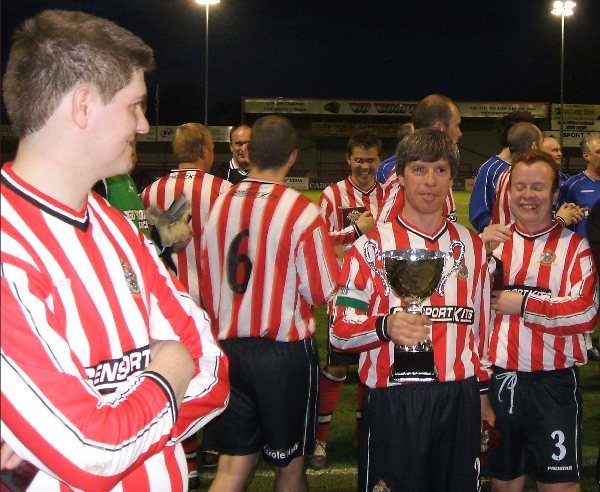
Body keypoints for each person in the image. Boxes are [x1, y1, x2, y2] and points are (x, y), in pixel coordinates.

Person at [0, 9, 229, 491]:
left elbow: (212, 371)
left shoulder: (116, 226)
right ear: (84, 106)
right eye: (134, 106)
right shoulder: (10, 250)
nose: (144, 126)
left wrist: (62, 442)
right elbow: (92, 455)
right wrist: (166, 371)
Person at [331, 128, 494, 491]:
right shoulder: (369, 248)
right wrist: (384, 327)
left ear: (452, 177)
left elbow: (482, 332)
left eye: (440, 170)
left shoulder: (472, 246)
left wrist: (483, 397)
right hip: (394, 398)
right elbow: (339, 329)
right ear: (400, 175)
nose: (430, 181)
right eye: (419, 169)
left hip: (459, 397)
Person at [199, 115, 339, 491]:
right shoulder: (300, 211)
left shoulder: (218, 204)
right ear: (293, 157)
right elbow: (322, 291)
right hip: (283, 355)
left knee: (232, 466)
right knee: (290, 466)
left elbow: (206, 280)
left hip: (228, 349)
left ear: (251, 152)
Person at [480, 150, 598, 491]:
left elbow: (586, 313)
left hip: (554, 387)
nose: (528, 195)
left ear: (555, 194)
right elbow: (466, 315)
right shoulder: (490, 246)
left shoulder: (575, 247)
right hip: (500, 383)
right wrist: (475, 257)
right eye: (520, 186)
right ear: (509, 192)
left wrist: (524, 304)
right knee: (503, 485)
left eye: (537, 187)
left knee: (559, 486)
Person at [141, 122, 232, 485]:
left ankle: (188, 461)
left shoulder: (149, 192)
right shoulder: (223, 190)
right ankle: (212, 450)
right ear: (206, 151)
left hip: (168, 310)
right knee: (213, 378)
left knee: (176, 380)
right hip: (215, 304)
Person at [309, 131, 385, 469]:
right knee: (338, 366)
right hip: (345, 291)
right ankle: (320, 443)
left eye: (370, 160)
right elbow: (320, 240)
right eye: (359, 160)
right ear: (348, 160)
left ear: (379, 161)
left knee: (371, 365)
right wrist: (356, 231)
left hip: (381, 292)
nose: (365, 166)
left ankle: (362, 435)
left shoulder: (388, 195)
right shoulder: (331, 195)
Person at [378, 94, 462, 223]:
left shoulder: (441, 168)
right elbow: (384, 234)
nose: (460, 133)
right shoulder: (405, 177)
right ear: (439, 128)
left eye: (440, 171)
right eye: (456, 125)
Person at [558, 133, 600, 362]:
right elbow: (560, 213)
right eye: (599, 152)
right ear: (586, 156)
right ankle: (586, 343)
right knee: (586, 297)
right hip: (584, 253)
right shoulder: (574, 185)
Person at [469, 110, 535, 233]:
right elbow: (479, 214)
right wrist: (509, 234)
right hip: (501, 245)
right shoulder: (490, 169)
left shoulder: (534, 168)